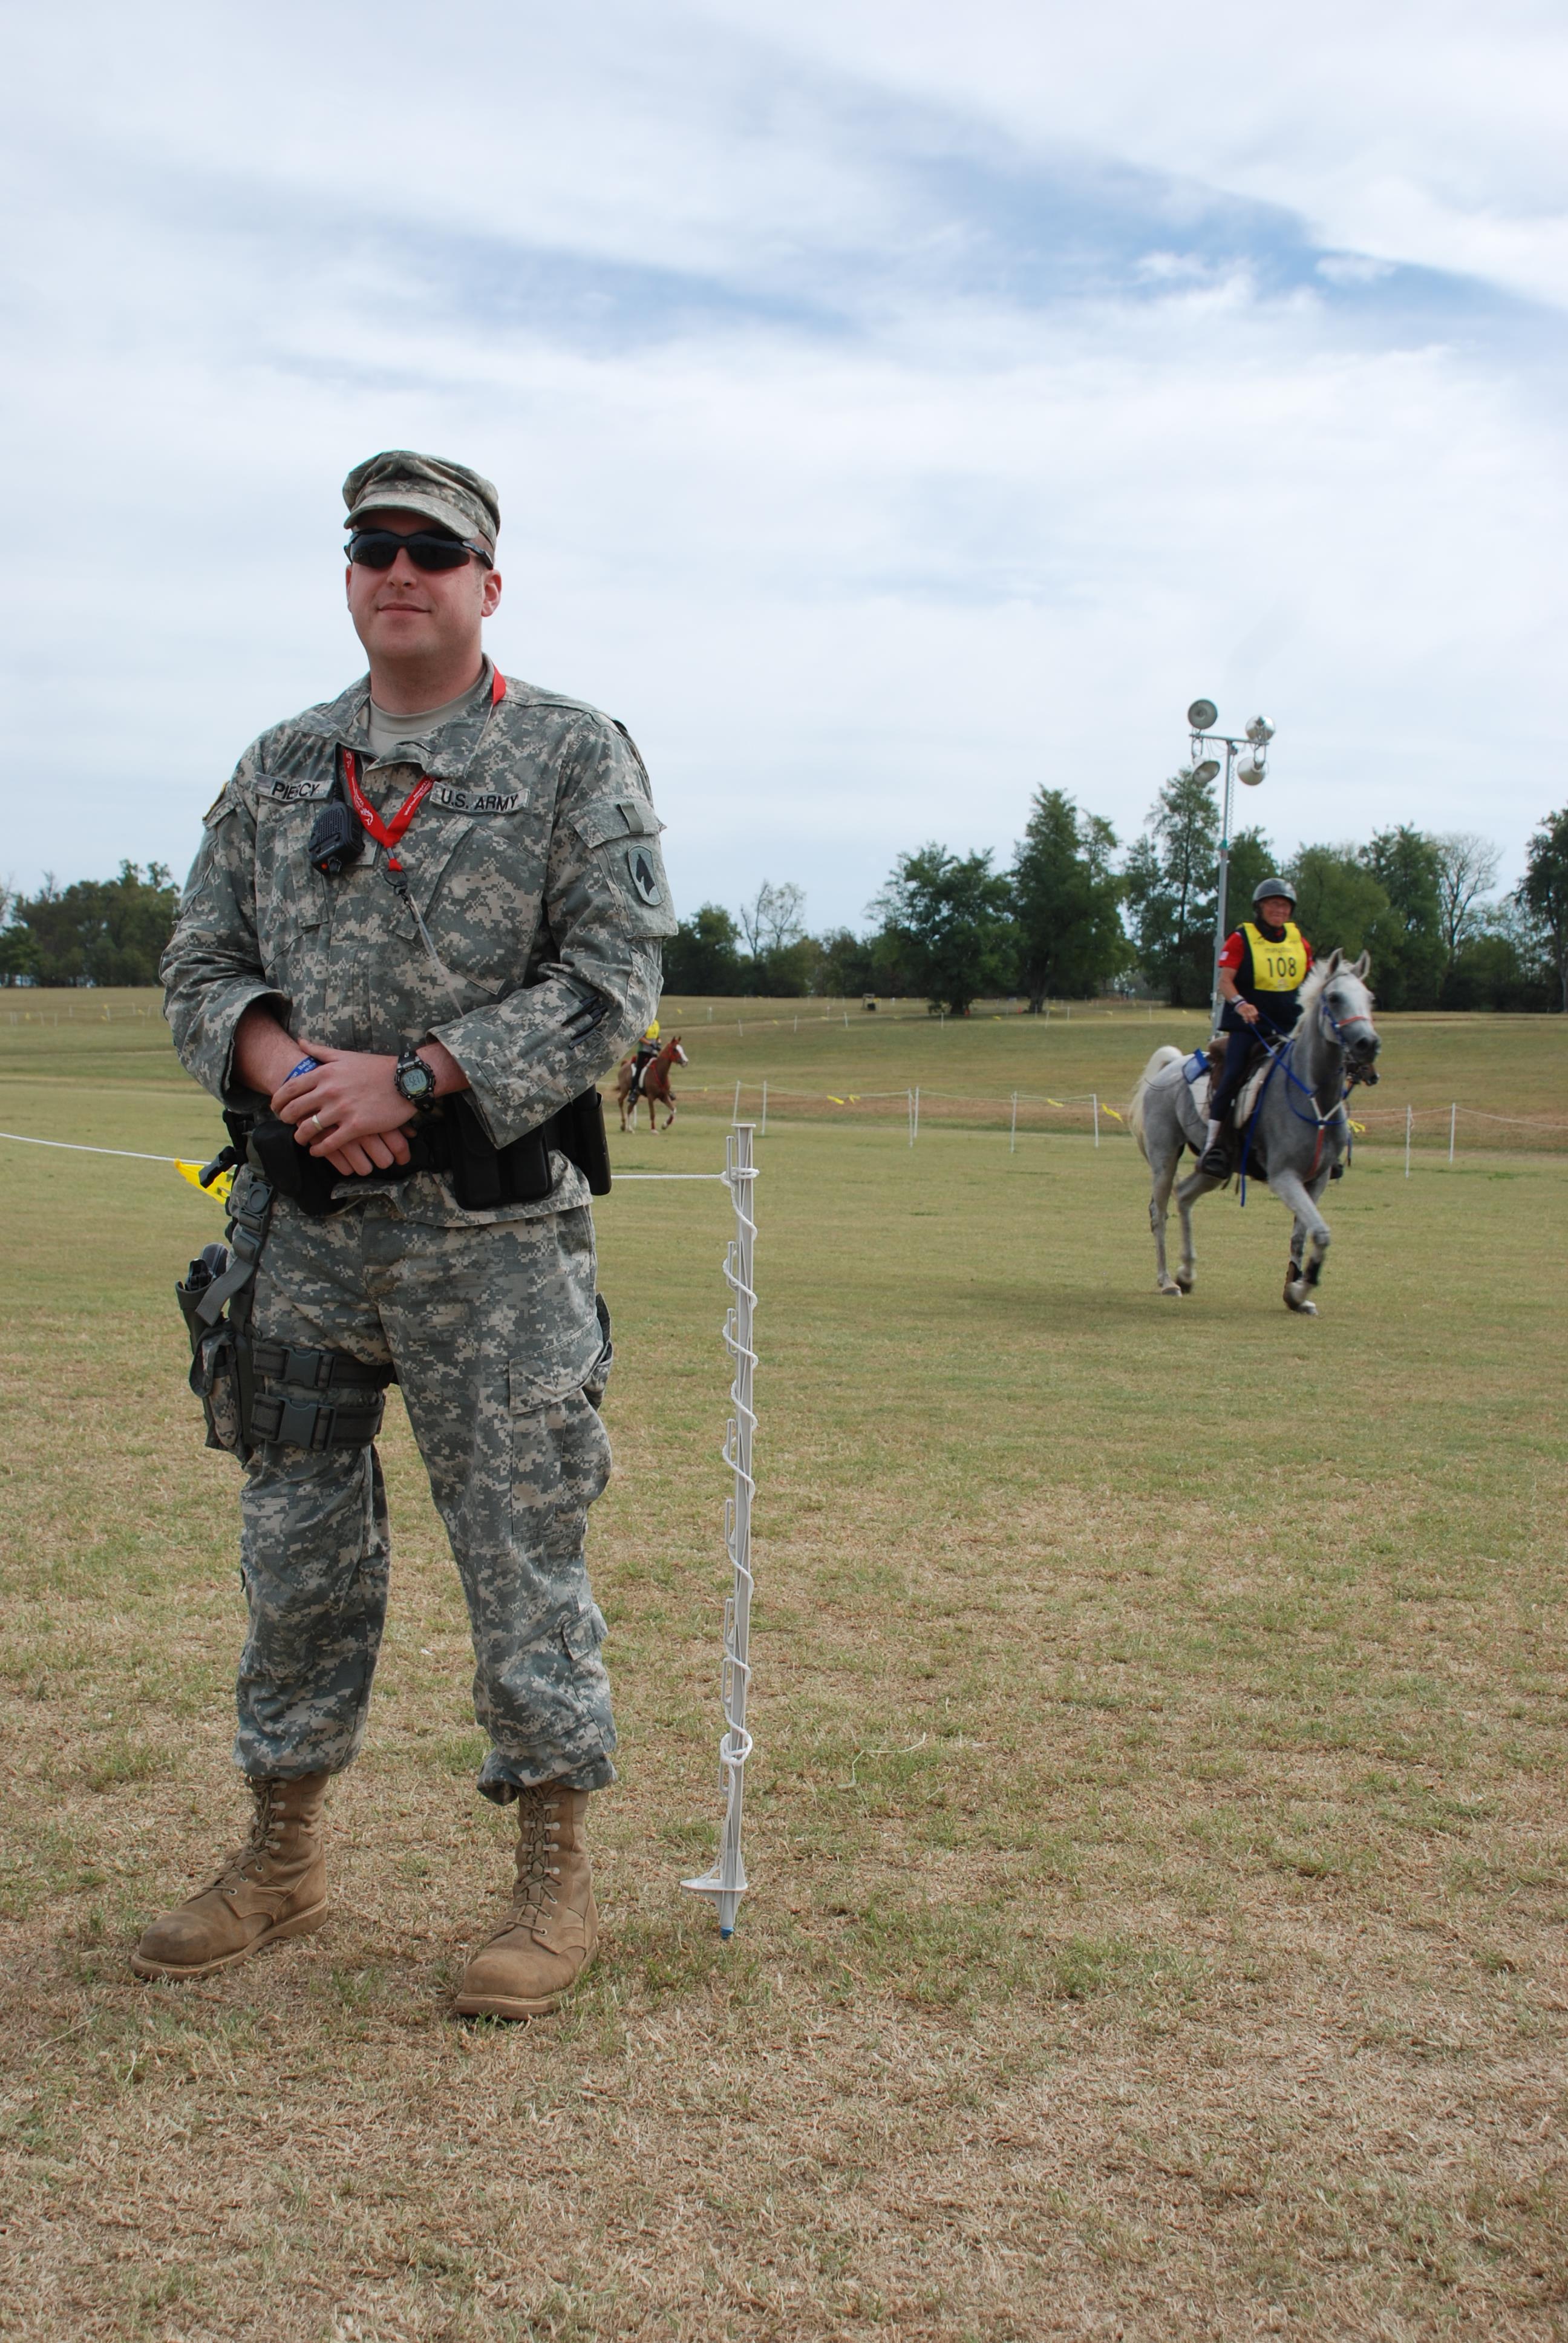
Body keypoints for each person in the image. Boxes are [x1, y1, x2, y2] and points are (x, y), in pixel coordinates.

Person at [137, 449, 676, 2019]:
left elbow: (612, 983)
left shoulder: (572, 754)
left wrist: (417, 1079)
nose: (398, 571)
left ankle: (553, 1880)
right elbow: (198, 965)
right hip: (301, 1230)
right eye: (372, 545)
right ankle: (282, 1855)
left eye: (433, 551)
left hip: (489, 1242)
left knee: (521, 1552)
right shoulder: (280, 765)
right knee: (294, 1553)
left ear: (487, 585)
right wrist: (295, 1076)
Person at [1198, 877, 1313, 1178]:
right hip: (1249, 1026)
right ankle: (1214, 1145)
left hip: (1289, 1026)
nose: (1280, 910)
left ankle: (1323, 1147)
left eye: (1285, 906)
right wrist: (1241, 1004)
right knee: (1234, 1073)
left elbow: (1312, 981)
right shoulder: (1241, 939)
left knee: (1319, 1072)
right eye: (1274, 904)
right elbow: (1225, 981)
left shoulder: (1299, 941)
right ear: (1260, 907)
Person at [626, 1020, 661, 1104]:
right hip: (643, 1051)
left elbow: (658, 1037)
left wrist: (658, 1044)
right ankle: (633, 1092)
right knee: (639, 1070)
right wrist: (651, 1044)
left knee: (658, 1069)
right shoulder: (644, 1023)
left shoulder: (656, 1023)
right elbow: (640, 1038)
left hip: (653, 1052)